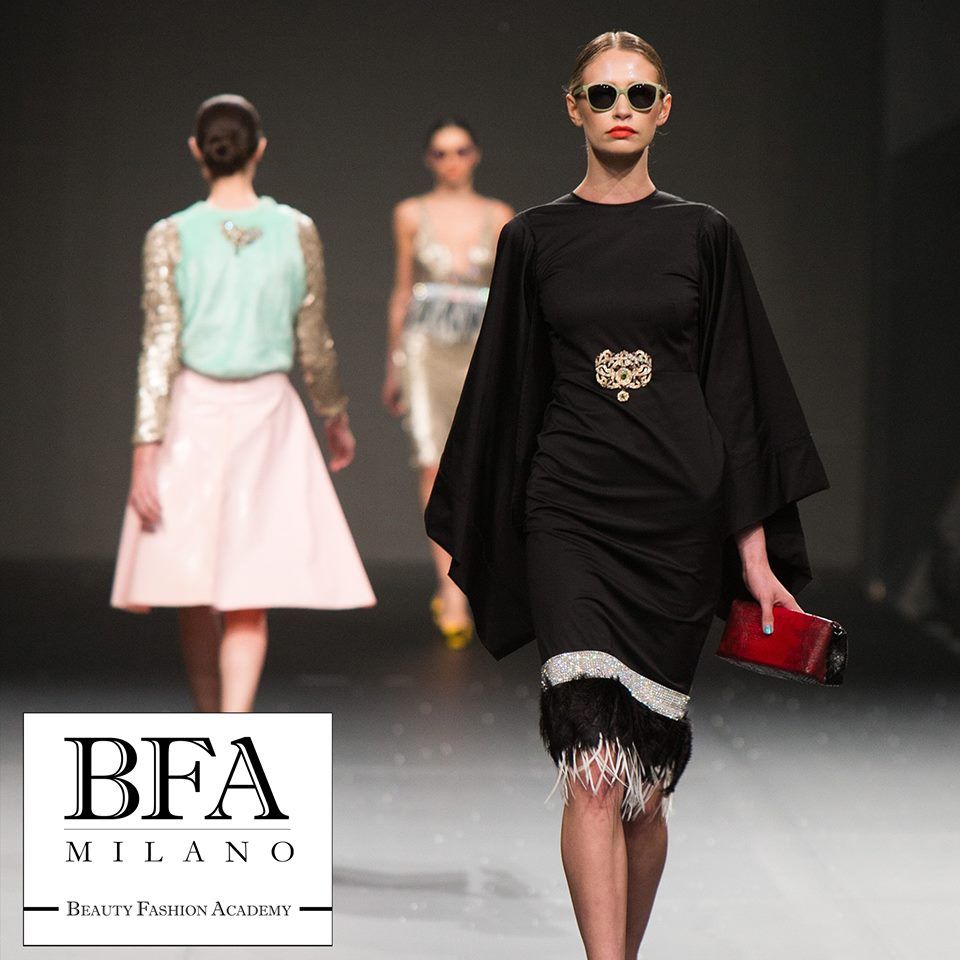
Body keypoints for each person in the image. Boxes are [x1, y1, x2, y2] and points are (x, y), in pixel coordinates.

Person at [425, 32, 830, 957]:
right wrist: (485, 524)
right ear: (573, 106)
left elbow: (739, 394)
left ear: (664, 110)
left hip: (676, 523)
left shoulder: (704, 235)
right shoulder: (533, 238)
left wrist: (753, 554)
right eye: (602, 94)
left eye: (639, 95)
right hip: (569, 512)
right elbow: (504, 388)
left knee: (644, 785)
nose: (621, 110)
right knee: (592, 769)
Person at [111, 94, 376, 712]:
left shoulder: (170, 235)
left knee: (196, 584)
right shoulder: (296, 229)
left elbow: (160, 345)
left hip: (191, 416)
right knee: (245, 591)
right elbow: (313, 337)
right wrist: (335, 417)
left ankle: (215, 728)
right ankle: (231, 731)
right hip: (267, 415)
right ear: (259, 149)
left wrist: (145, 450)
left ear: (196, 151)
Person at [382, 119, 513, 650]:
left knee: (479, 465)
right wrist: (391, 365)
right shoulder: (410, 214)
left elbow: (508, 295)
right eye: (440, 152)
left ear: (475, 154)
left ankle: (471, 578)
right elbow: (402, 289)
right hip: (425, 347)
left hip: (479, 345)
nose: (451, 161)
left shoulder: (499, 216)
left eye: (460, 150)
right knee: (432, 462)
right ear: (428, 159)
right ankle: (451, 591)